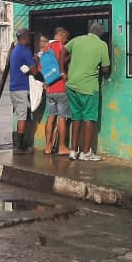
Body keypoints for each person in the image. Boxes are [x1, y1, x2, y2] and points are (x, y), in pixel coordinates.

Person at [64, 23, 111, 162]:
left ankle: (73, 151)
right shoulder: (102, 45)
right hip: (89, 88)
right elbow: (106, 69)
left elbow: (62, 52)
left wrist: (63, 71)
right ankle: (86, 152)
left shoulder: (77, 40)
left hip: (72, 85)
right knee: (89, 119)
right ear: (101, 34)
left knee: (76, 118)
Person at [43, 28, 73, 156]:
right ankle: (61, 146)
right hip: (60, 87)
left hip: (49, 88)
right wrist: (71, 55)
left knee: (51, 117)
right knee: (61, 117)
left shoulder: (46, 48)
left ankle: (48, 147)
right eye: (66, 38)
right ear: (61, 35)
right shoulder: (60, 46)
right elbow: (61, 62)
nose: (66, 41)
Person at [9, 29, 37, 155]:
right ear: (25, 38)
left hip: (14, 88)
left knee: (21, 114)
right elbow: (34, 71)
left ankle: (20, 143)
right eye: (29, 37)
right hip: (21, 88)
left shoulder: (14, 50)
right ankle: (19, 146)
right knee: (22, 116)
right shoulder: (25, 51)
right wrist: (35, 60)